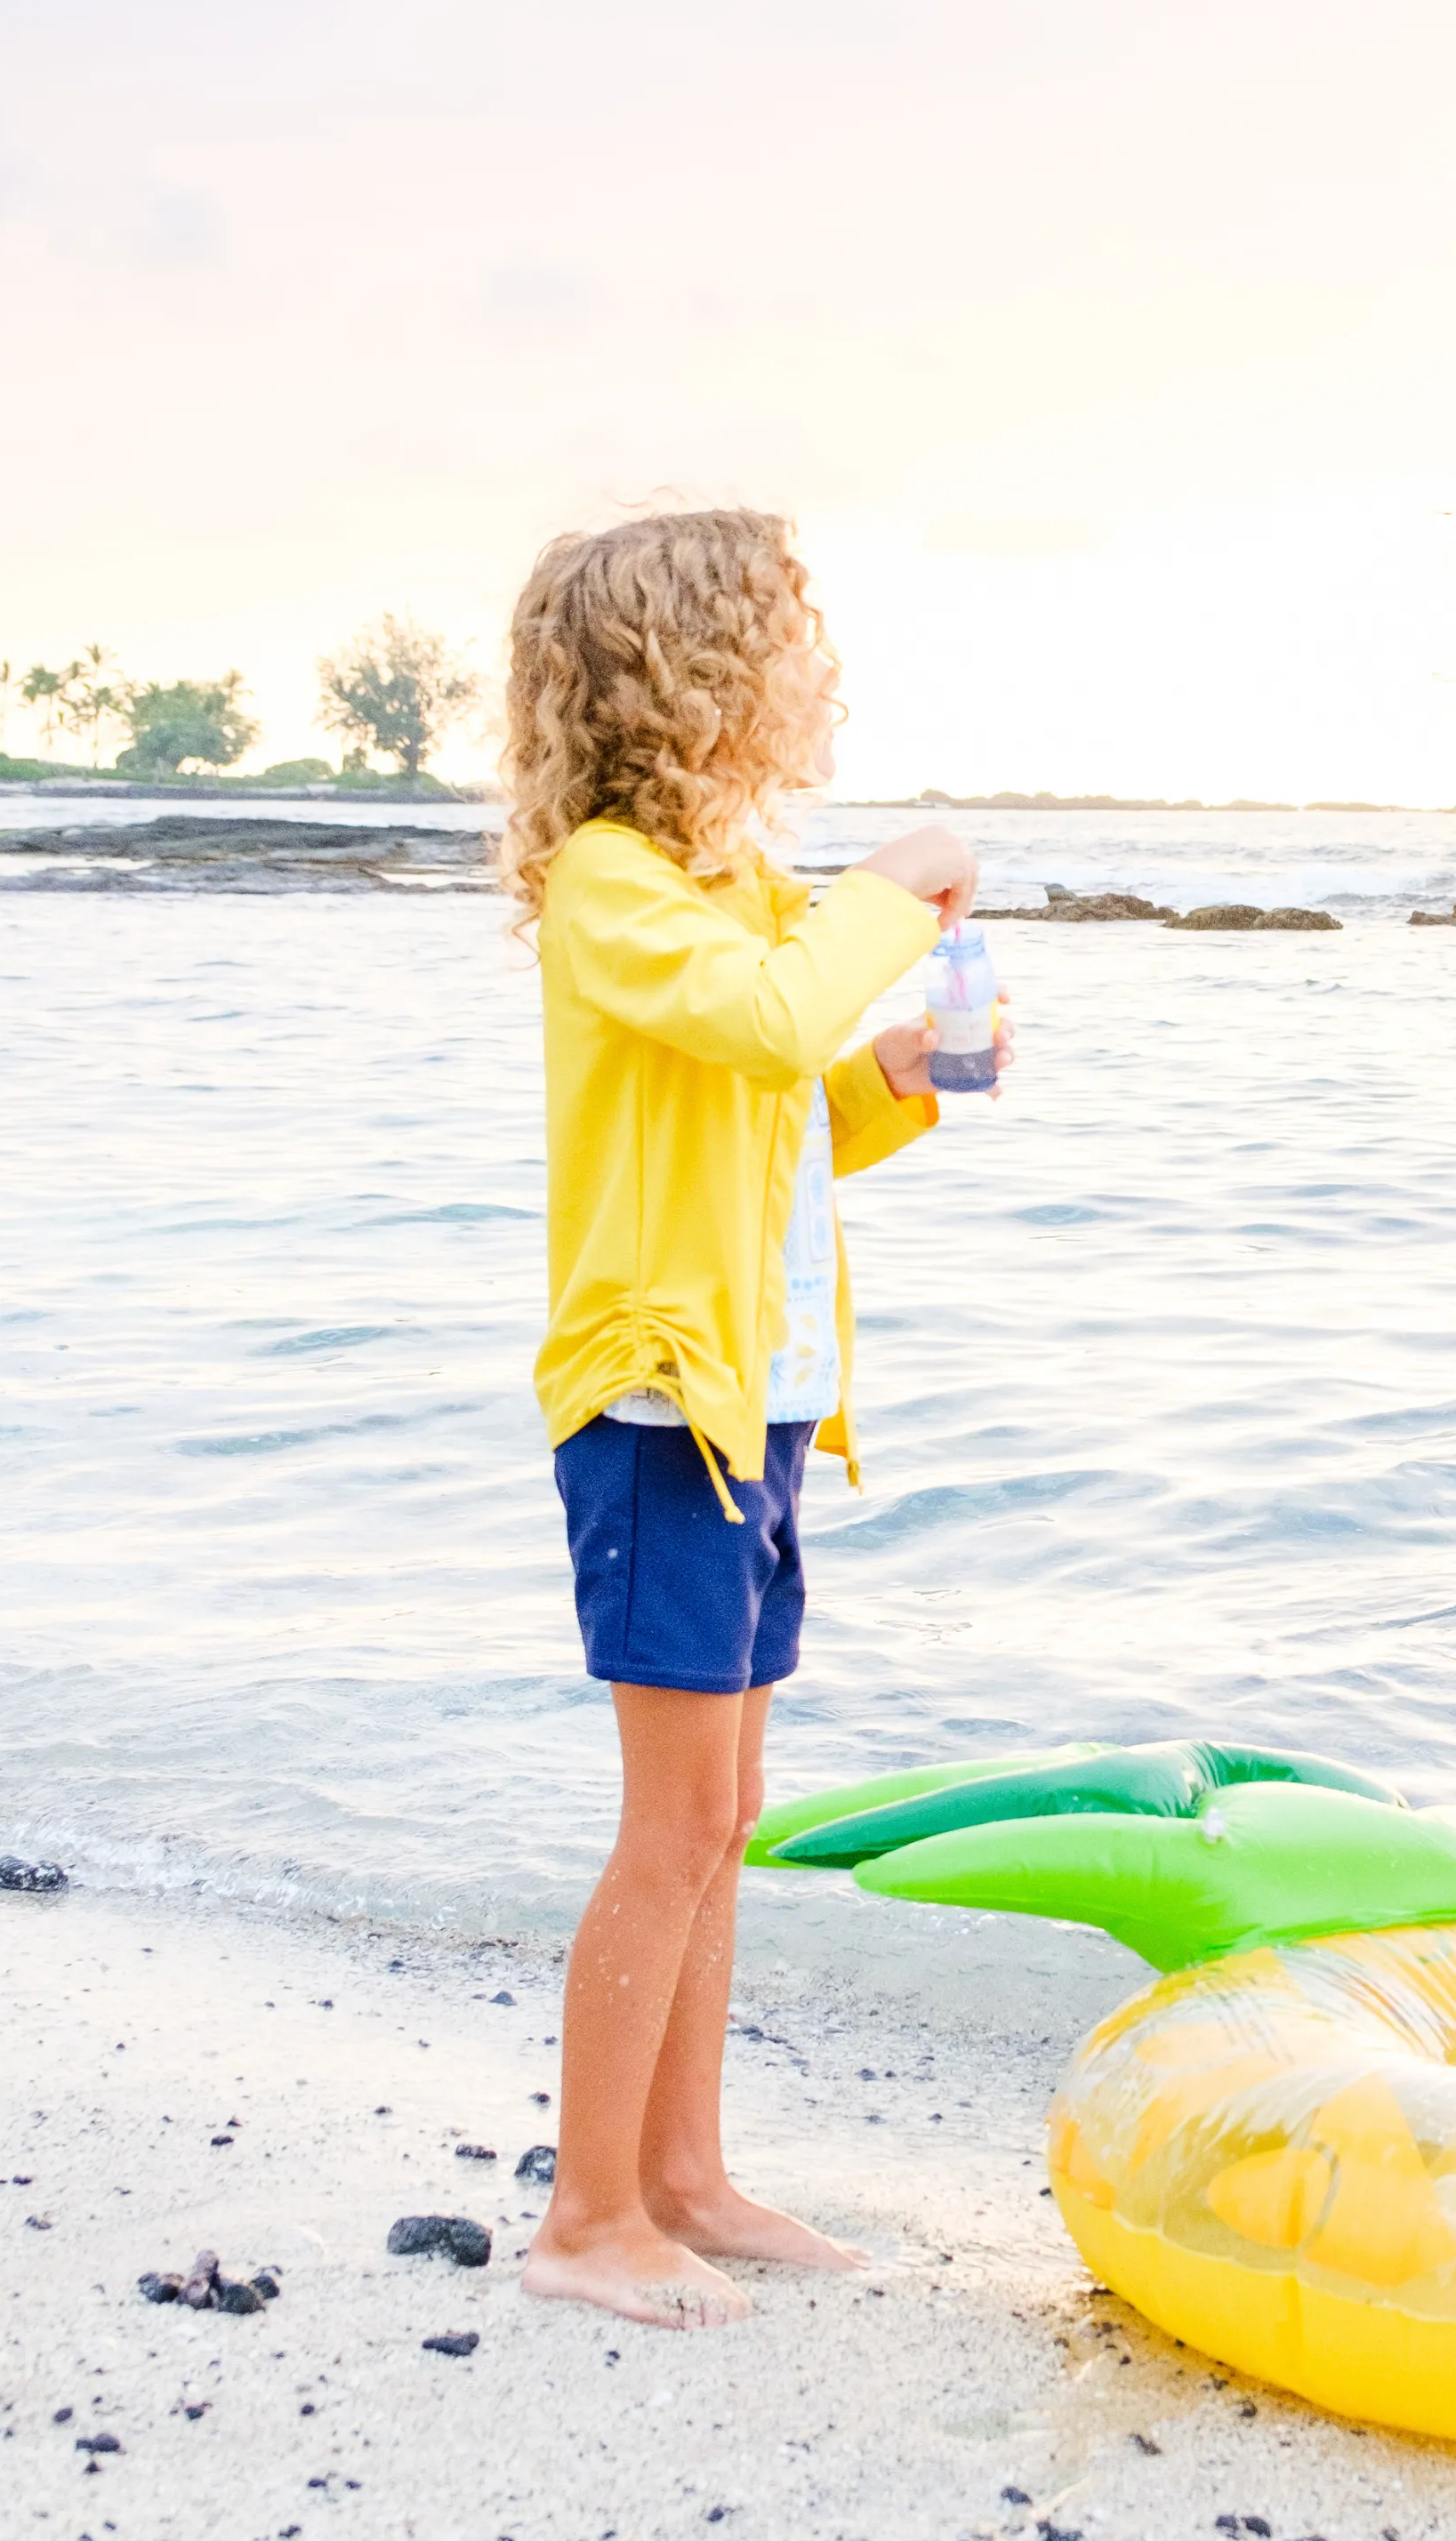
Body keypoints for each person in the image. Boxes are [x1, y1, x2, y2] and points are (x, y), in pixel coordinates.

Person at [500, 507, 1004, 2328]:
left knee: (725, 1811)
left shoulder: (742, 896)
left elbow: (802, 1097)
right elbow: (774, 1018)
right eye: (791, 645)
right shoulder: (613, 883)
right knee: (669, 1821)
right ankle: (583, 2219)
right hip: (656, 1406)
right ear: (697, 674)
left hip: (761, 1410)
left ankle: (683, 2174)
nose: (818, 678)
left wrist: (915, 1063)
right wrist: (893, 889)